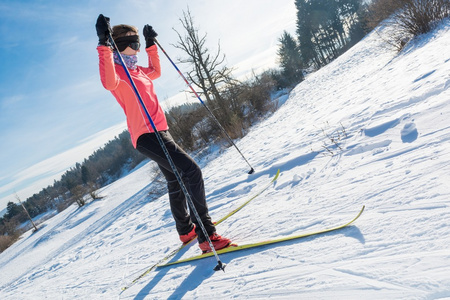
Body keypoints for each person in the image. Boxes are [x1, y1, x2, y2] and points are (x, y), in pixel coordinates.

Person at [95, 14, 231, 253]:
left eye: (136, 43)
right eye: (130, 43)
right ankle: (206, 235)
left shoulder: (138, 71)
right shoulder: (116, 73)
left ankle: (186, 230)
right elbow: (107, 83)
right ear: (118, 45)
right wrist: (103, 43)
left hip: (161, 130)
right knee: (191, 171)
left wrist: (151, 45)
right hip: (146, 135)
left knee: (175, 179)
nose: (135, 48)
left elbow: (156, 71)